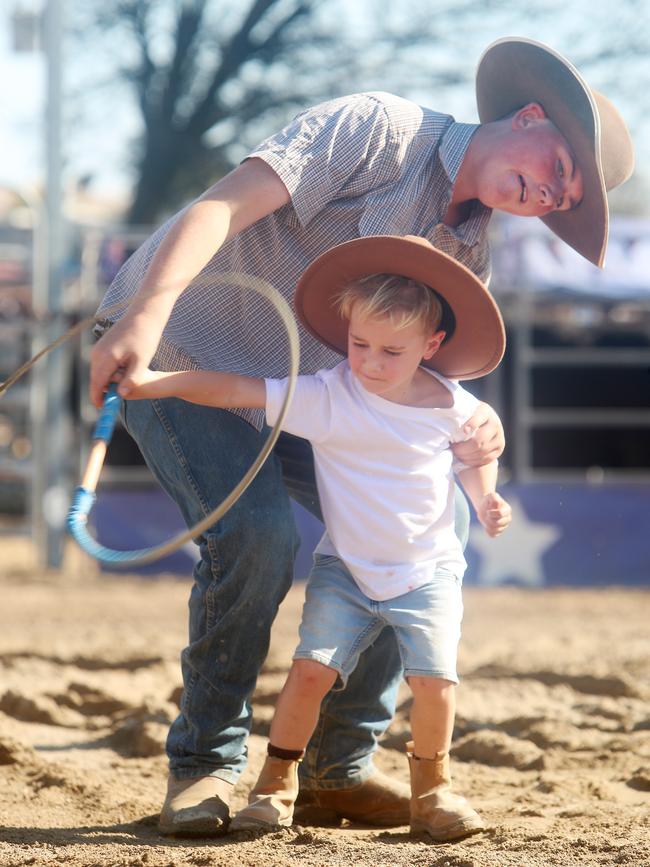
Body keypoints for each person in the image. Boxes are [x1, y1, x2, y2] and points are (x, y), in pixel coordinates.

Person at [89, 37, 633, 836]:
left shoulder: (467, 248)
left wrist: (468, 450)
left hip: (315, 394)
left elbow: (413, 383)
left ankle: (337, 769)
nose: (550, 193)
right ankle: (206, 762)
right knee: (256, 535)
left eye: (563, 199)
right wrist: (142, 318)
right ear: (527, 114)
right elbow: (222, 206)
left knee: (424, 524)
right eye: (559, 166)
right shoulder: (377, 129)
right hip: (182, 353)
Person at [120, 235, 512, 841]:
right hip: (347, 571)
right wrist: (160, 383)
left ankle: (432, 791)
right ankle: (276, 782)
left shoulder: (453, 406)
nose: (370, 363)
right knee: (310, 671)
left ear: (430, 347)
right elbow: (237, 391)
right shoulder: (329, 395)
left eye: (391, 351)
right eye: (358, 345)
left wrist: (485, 494)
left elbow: (474, 452)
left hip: (426, 571)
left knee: (435, 683)